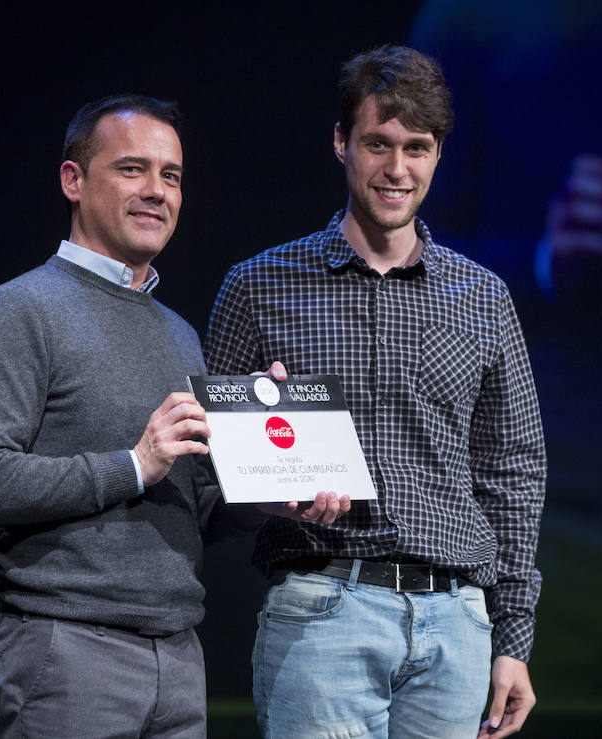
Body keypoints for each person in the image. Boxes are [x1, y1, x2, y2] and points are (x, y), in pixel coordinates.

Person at [0, 93, 347, 738]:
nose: (156, 191)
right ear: (73, 181)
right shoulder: (20, 310)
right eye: (132, 169)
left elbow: (193, 509)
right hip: (66, 651)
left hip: (180, 657)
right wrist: (133, 464)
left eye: (172, 176)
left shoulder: (180, 334)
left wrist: (268, 494)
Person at [204, 46, 546, 738]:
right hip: (322, 604)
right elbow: (205, 474)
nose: (397, 169)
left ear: (439, 154)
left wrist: (512, 639)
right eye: (378, 144)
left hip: (456, 623)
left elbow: (514, 471)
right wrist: (267, 492)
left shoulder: (482, 296)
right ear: (341, 142)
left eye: (416, 148)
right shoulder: (258, 287)